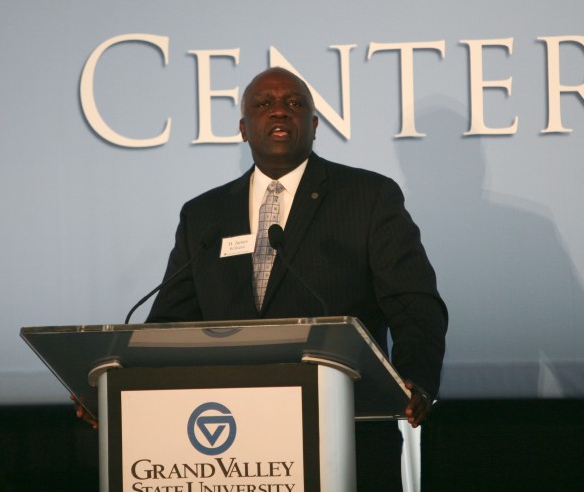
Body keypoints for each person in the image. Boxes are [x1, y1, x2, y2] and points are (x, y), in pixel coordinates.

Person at [146, 66, 448, 491]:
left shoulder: (368, 197)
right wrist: (117, 384)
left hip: (344, 428)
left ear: (315, 125)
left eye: (294, 103)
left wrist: (414, 378)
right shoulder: (204, 214)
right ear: (243, 128)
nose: (280, 112)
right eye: (264, 104)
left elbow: (414, 303)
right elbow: (169, 323)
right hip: (230, 443)